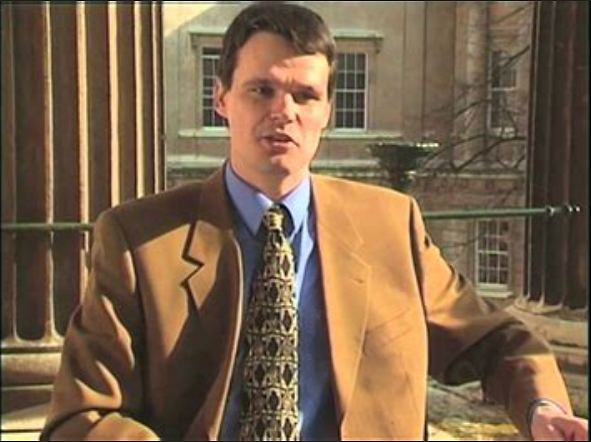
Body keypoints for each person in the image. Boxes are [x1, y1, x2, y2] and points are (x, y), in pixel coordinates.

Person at [41, 2, 587, 441]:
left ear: (327, 110)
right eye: (262, 90)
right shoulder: (139, 240)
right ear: (221, 98)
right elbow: (81, 418)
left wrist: (541, 408)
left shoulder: (390, 224)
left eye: (305, 95)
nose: (284, 112)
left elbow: (498, 341)